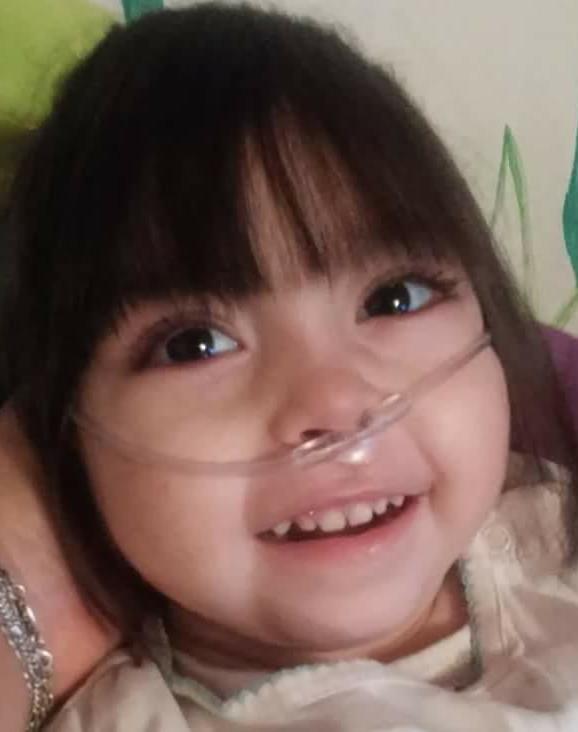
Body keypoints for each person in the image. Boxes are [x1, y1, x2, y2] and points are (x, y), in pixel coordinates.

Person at [2, 3, 578, 729]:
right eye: (194, 344)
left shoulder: (558, 536)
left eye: (394, 298)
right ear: (63, 434)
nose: (335, 405)